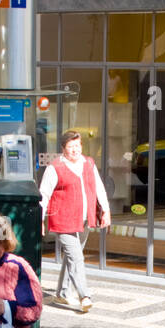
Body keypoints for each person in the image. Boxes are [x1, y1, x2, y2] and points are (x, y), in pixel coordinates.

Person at [39, 131, 110, 313]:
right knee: (76, 258)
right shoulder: (55, 167)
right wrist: (40, 219)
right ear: (63, 149)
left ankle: (62, 293)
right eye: (70, 147)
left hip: (85, 218)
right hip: (63, 219)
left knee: (72, 257)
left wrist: (106, 210)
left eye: (77, 146)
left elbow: (99, 188)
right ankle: (84, 295)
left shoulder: (89, 163)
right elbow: (44, 195)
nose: (75, 150)